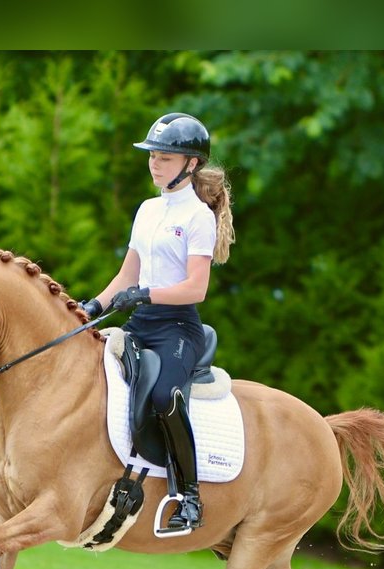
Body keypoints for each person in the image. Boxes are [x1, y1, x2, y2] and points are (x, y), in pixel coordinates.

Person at [93, 112, 235, 533]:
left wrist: (147, 293)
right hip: (141, 320)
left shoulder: (198, 218)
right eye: (153, 155)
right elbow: (126, 275)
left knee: (165, 397)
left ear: (191, 164)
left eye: (165, 157)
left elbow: (196, 288)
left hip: (177, 328)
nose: (155, 163)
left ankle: (189, 497)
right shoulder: (147, 209)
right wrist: (91, 306)